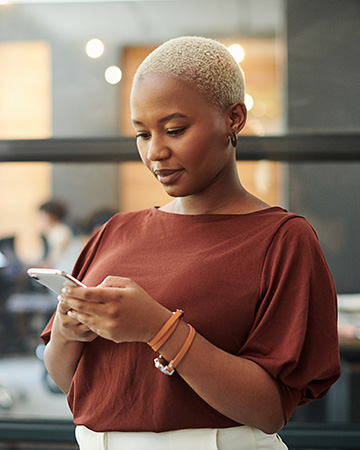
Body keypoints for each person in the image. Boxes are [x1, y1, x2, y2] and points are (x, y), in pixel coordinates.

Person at [41, 36, 340, 450]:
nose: (156, 152)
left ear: (233, 118)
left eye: (175, 130)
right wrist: (68, 333)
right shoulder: (115, 231)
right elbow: (68, 381)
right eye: (142, 134)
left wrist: (159, 329)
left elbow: (270, 410)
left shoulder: (281, 239)